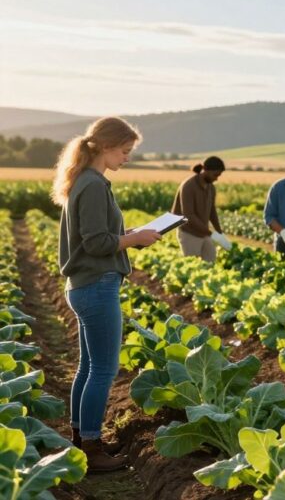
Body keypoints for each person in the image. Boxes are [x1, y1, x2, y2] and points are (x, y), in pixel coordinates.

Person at [52, 116, 162, 472]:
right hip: (97, 285)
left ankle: (82, 438)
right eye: (125, 151)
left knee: (88, 367)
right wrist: (135, 239)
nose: (127, 158)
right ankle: (92, 449)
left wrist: (130, 233)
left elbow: (98, 235)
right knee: (103, 369)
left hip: (84, 285)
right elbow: (97, 243)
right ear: (106, 146)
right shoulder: (94, 185)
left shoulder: (83, 181)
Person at [171, 156, 231, 262]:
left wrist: (219, 233)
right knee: (192, 265)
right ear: (205, 170)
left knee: (210, 260)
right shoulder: (188, 186)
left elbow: (212, 211)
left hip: (203, 233)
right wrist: (211, 234)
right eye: (215, 175)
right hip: (188, 232)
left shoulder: (210, 187)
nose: (216, 178)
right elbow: (189, 216)